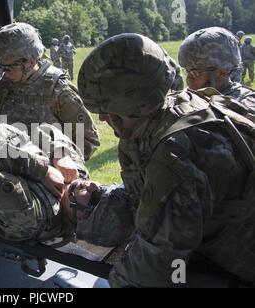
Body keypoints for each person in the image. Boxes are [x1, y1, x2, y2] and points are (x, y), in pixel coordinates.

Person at [77, 33, 255, 287]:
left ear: (130, 105)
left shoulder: (175, 157)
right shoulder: (191, 103)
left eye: (106, 111)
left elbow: (155, 267)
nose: (104, 119)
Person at [0, 23, 100, 161]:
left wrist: (60, 161)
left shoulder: (57, 89)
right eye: (1, 66)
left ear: (29, 61)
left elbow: (88, 140)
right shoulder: (4, 87)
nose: (4, 73)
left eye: (9, 68)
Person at [179, 27, 255, 115]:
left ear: (222, 71)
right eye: (186, 71)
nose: (188, 78)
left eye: (195, 72)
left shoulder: (245, 107)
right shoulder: (184, 100)